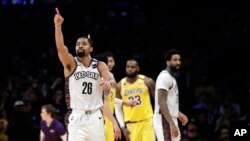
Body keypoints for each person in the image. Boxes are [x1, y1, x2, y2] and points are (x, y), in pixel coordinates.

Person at [53, 8, 121, 141]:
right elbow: (61, 48)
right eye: (78, 44)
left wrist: (108, 83)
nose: (80, 46)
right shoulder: (71, 63)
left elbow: (110, 81)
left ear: (91, 49)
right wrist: (58, 27)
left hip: (96, 117)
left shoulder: (100, 65)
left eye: (84, 44)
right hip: (77, 117)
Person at [95, 52, 135, 141]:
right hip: (102, 118)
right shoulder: (101, 79)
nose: (109, 64)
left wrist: (124, 102)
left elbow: (111, 98)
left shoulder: (110, 76)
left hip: (109, 118)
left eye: (111, 61)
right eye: (107, 62)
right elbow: (102, 101)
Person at [115, 58, 156, 141]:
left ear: (138, 68)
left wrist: (157, 119)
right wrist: (123, 127)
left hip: (147, 122)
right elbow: (118, 109)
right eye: (128, 67)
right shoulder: (120, 86)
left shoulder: (147, 81)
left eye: (132, 67)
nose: (130, 69)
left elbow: (158, 102)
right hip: (131, 125)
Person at [153, 49, 188, 141]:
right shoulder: (164, 77)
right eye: (175, 60)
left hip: (170, 118)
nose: (178, 62)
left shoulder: (171, 78)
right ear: (168, 62)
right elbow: (161, 102)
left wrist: (178, 113)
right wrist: (171, 124)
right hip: (164, 119)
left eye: (179, 60)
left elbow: (169, 102)